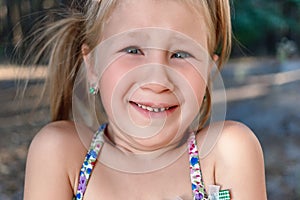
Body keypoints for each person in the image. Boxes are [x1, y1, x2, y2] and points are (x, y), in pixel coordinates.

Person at [23, 0, 267, 199]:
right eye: (133, 50)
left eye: (180, 54)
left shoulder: (225, 155)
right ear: (92, 65)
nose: (157, 80)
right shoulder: (61, 154)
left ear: (208, 73)